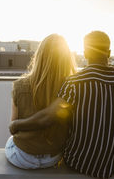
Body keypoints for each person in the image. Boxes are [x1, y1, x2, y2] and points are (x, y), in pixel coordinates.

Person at [10, 31, 114, 179]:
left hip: (78, 163)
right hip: (112, 165)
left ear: (86, 52)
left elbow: (48, 117)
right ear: (109, 53)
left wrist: (16, 125)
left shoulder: (75, 83)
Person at [5, 34, 76, 169]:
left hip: (21, 157)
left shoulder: (19, 85)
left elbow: (13, 127)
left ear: (39, 56)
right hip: (53, 157)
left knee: (11, 141)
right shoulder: (70, 89)